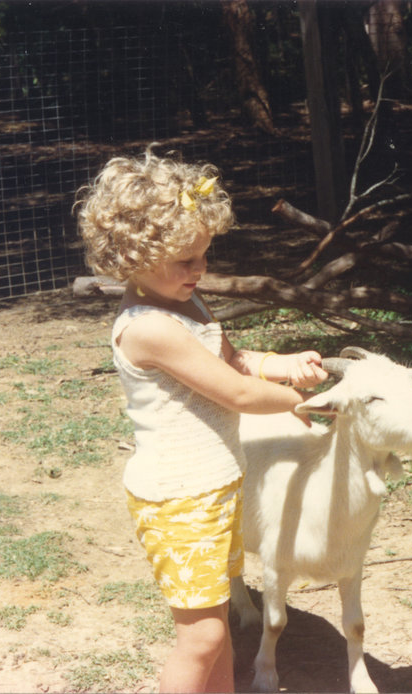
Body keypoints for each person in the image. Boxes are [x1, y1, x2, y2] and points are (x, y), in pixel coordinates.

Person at [76, 146, 327, 693]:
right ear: (134, 256)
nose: (200, 270)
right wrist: (303, 404)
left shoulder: (188, 304)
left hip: (218, 487)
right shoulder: (147, 327)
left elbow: (235, 362)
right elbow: (237, 392)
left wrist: (283, 366)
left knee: (219, 635)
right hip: (179, 499)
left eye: (205, 255)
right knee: (202, 638)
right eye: (185, 260)